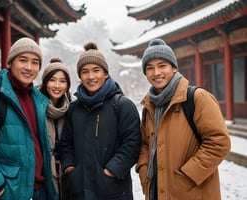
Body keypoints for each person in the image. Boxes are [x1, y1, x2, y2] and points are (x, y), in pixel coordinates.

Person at [136, 38, 231, 200]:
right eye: (150, 68)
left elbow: (219, 142)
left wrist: (188, 175)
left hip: (191, 191)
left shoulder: (197, 98)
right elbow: (145, 144)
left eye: (162, 66)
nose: (156, 72)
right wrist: (144, 169)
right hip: (156, 191)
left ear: (173, 68)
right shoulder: (149, 106)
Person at [0, 37, 58, 200]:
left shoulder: (38, 99)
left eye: (35, 62)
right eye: (23, 60)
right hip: (9, 192)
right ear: (10, 63)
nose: (29, 67)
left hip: (39, 190)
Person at [59, 42, 141, 200]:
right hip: (80, 190)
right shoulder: (74, 109)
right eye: (85, 72)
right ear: (80, 76)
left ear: (106, 73)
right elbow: (66, 144)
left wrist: (110, 172)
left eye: (96, 70)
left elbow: (132, 144)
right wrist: (70, 169)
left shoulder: (122, 105)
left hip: (114, 191)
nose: (91, 77)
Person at [39, 57, 72, 200]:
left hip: (67, 174)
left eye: (62, 81)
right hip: (42, 174)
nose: (57, 85)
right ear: (45, 82)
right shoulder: (36, 106)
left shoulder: (72, 108)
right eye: (52, 80)